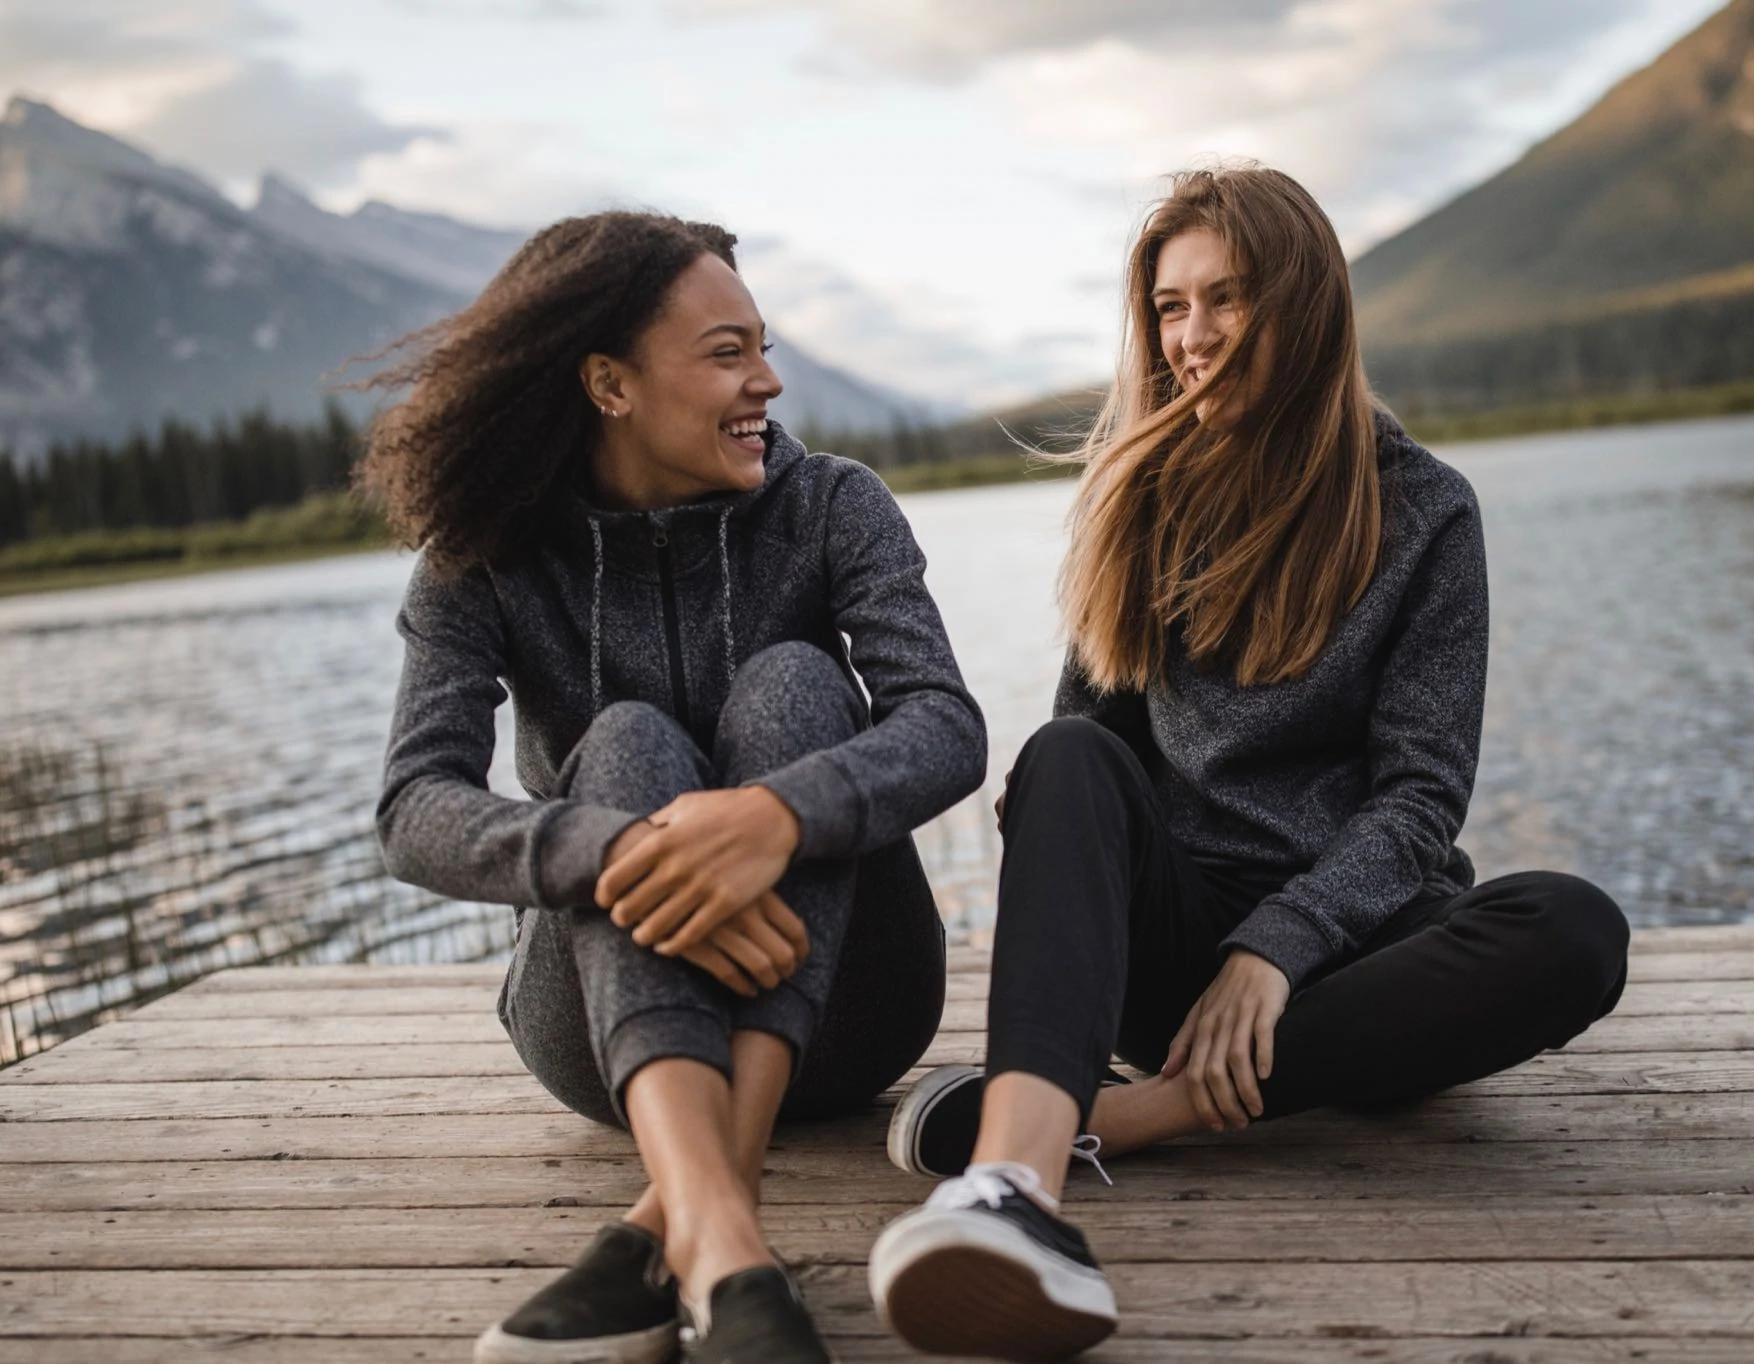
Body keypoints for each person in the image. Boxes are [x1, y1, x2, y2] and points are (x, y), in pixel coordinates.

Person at [866, 166, 1631, 1361]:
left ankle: (1124, 1113)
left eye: (1227, 300)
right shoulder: (1144, 495)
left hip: (1341, 963)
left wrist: (1277, 947)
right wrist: (1072, 843)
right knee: (1061, 752)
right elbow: (1088, 757)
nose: (1193, 339)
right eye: (1169, 308)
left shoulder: (1424, 510)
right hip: (1167, 954)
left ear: (1307, 306)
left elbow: (1421, 796)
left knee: (1572, 927)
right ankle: (1011, 1190)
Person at [364, 211, 986, 1364]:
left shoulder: (832, 503)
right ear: (608, 382)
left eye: (762, 344)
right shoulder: (480, 553)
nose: (768, 379)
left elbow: (945, 726)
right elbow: (411, 809)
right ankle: (724, 1241)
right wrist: (618, 851)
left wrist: (771, 817)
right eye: (725, 352)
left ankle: (684, 1229)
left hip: (848, 1005)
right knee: (627, 740)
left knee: (798, 682)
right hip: (605, 1038)